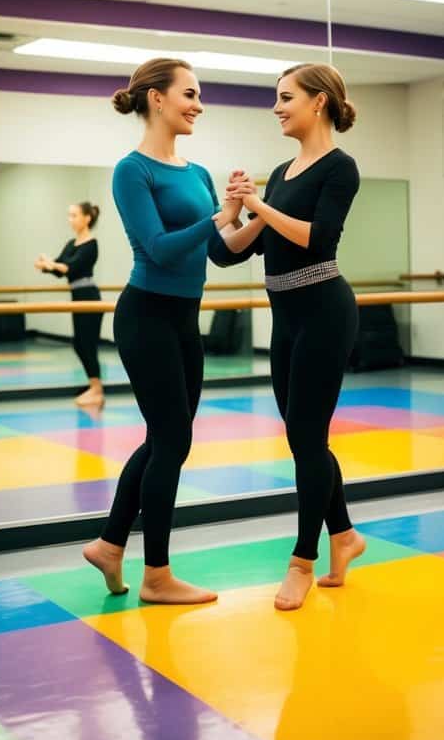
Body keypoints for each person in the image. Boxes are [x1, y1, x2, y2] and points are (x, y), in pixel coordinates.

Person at [83, 58, 243, 605]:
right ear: (156, 98)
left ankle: (109, 544)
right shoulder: (132, 170)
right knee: (173, 440)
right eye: (190, 94)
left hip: (183, 320)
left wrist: (256, 215)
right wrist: (220, 216)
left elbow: (218, 254)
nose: (198, 104)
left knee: (164, 439)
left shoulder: (196, 173)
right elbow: (157, 247)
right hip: (145, 315)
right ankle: (156, 576)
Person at [223, 63, 366, 611]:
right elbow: (245, 247)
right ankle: (346, 534)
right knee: (304, 439)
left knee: (307, 437)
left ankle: (302, 561)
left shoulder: (340, 168)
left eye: (286, 98)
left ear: (319, 102)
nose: (277, 107)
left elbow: (319, 239)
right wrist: (236, 210)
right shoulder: (282, 171)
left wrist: (261, 205)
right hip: (285, 315)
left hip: (326, 311)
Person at [35, 202, 105, 408]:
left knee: (87, 344)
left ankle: (96, 390)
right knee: (79, 343)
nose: (70, 219)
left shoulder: (91, 244)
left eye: (74, 215)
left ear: (87, 219)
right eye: (69, 215)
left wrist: (51, 264)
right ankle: (94, 386)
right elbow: (60, 268)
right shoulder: (71, 243)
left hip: (89, 297)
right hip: (78, 296)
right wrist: (45, 265)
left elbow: (71, 267)